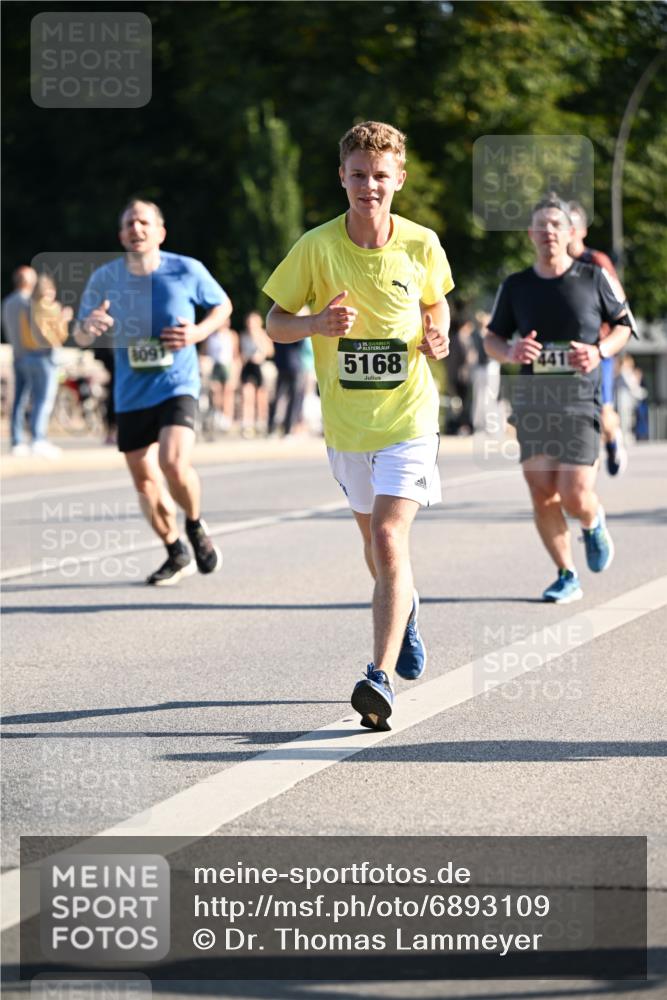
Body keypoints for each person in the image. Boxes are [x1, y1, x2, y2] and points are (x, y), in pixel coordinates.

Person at [263, 121, 453, 731]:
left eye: (379, 176)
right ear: (341, 177)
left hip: (409, 418)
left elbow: (436, 300)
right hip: (347, 427)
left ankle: (378, 677)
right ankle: (408, 614)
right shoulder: (316, 246)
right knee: (375, 548)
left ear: (399, 178)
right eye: (356, 175)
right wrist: (316, 324)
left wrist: (437, 329)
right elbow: (274, 322)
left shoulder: (422, 243)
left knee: (390, 539)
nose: (368, 186)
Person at [484, 194, 636, 604]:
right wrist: (511, 352)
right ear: (531, 234)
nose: (549, 231)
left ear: (571, 233)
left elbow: (624, 325)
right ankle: (566, 574)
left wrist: (600, 351)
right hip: (534, 399)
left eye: (557, 224)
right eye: (541, 225)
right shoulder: (516, 286)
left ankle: (592, 521)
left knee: (573, 492)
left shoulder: (592, 278)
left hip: (579, 398)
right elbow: (492, 338)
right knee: (541, 491)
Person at [76, 198, 232, 585]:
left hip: (177, 383)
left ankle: (195, 525)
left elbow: (223, 306)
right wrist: (90, 326)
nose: (136, 228)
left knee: (173, 462)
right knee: (144, 481)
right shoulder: (105, 278)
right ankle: (175, 550)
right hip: (131, 392)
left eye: (144, 222)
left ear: (160, 232)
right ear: (121, 235)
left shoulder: (186, 269)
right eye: (129, 223)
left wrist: (197, 333)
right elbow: (80, 333)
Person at [568, 201, 628, 476]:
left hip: (598, 348)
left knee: (603, 410)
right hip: (567, 351)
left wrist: (607, 342)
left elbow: (619, 305)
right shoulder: (555, 265)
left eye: (571, 225)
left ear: (582, 230)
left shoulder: (596, 262)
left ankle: (613, 440)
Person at [2, 265, 65, 459]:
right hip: (38, 356)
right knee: (41, 399)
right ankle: (38, 438)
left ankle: (17, 440)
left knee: (19, 400)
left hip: (18, 355)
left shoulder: (8, 302)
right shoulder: (30, 303)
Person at [239, 310, 274, 437]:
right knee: (247, 394)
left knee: (261, 396)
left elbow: (270, 352)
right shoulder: (243, 336)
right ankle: (247, 423)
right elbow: (240, 354)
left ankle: (261, 422)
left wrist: (258, 339)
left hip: (260, 367)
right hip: (248, 366)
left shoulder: (264, 335)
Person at [205, 316, 240, 433]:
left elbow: (236, 354)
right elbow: (204, 352)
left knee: (228, 393)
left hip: (227, 366)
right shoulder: (210, 336)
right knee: (216, 392)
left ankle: (227, 418)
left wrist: (236, 370)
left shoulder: (231, 335)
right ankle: (218, 415)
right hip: (215, 366)